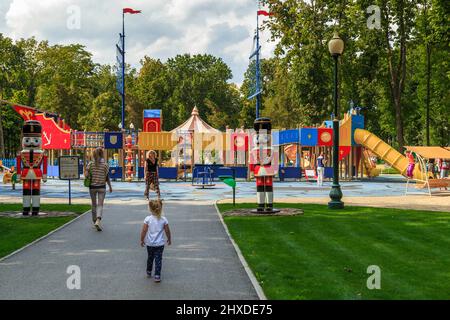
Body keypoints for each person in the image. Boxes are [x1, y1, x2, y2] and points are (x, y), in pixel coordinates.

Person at [140, 200, 172, 282]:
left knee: (150, 258)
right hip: (160, 244)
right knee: (158, 260)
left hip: (150, 244)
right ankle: (157, 275)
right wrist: (169, 238)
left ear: (150, 209)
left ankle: (149, 271)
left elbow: (144, 230)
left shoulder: (148, 219)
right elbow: (167, 231)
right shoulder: (164, 219)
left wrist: (142, 239)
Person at [85, 148, 112, 231]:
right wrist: (110, 187)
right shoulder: (105, 165)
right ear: (102, 154)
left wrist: (88, 173)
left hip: (92, 187)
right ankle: (98, 220)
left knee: (94, 204)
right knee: (100, 205)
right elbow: (107, 178)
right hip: (102, 187)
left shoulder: (90, 164)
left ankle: (94, 221)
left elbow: (86, 175)